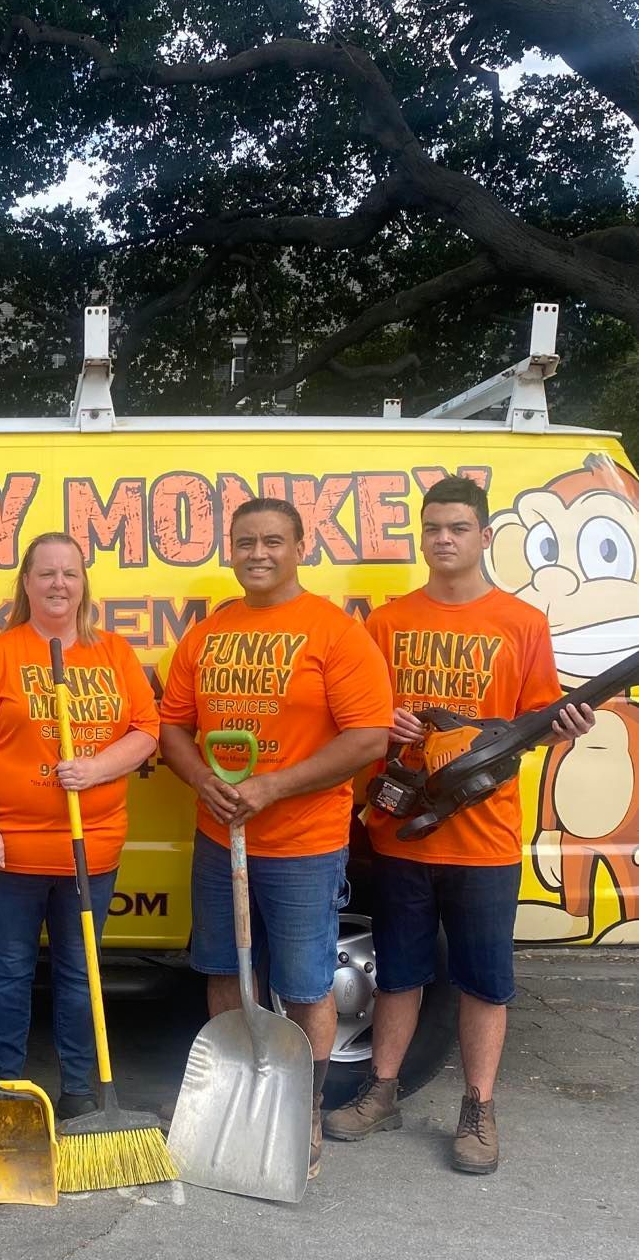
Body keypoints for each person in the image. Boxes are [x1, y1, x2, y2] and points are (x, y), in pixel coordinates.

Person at [324, 475, 595, 1173]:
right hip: (400, 830)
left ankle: (478, 1107)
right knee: (400, 974)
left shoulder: (521, 622)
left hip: (486, 837)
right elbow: (357, 717)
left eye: (457, 527)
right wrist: (382, 720)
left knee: (483, 980)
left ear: (483, 537)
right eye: (433, 527)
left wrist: (566, 724)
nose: (444, 538)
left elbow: (535, 723)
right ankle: (382, 1092)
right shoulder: (385, 622)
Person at [159, 497, 393, 1180]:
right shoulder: (208, 634)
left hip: (303, 844)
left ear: (299, 547)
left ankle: (304, 1111)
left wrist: (272, 786)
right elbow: (172, 724)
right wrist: (204, 778)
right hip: (219, 835)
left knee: (304, 984)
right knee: (227, 972)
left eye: (272, 541)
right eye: (244, 542)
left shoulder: (334, 633)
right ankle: (242, 1099)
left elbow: (368, 738)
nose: (257, 553)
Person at [0, 532, 159, 1116]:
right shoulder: (0, 655)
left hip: (90, 849)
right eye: (46, 574)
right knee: (8, 973)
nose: (59, 584)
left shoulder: (113, 653)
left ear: (84, 581)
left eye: (69, 573)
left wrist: (94, 768)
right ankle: (8, 1088)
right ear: (27, 583)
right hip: (9, 850)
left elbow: (146, 731)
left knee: (78, 973)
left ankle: (81, 1093)